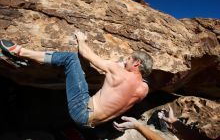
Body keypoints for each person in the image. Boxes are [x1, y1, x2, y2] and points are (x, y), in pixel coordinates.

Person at [0, 31, 153, 128]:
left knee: (71, 58)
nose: (124, 61)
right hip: (94, 124)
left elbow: (85, 53)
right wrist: (125, 66)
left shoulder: (116, 71)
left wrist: (82, 39)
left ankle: (20, 52)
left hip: (82, 112)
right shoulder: (143, 90)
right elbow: (125, 87)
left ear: (137, 63)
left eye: (128, 59)